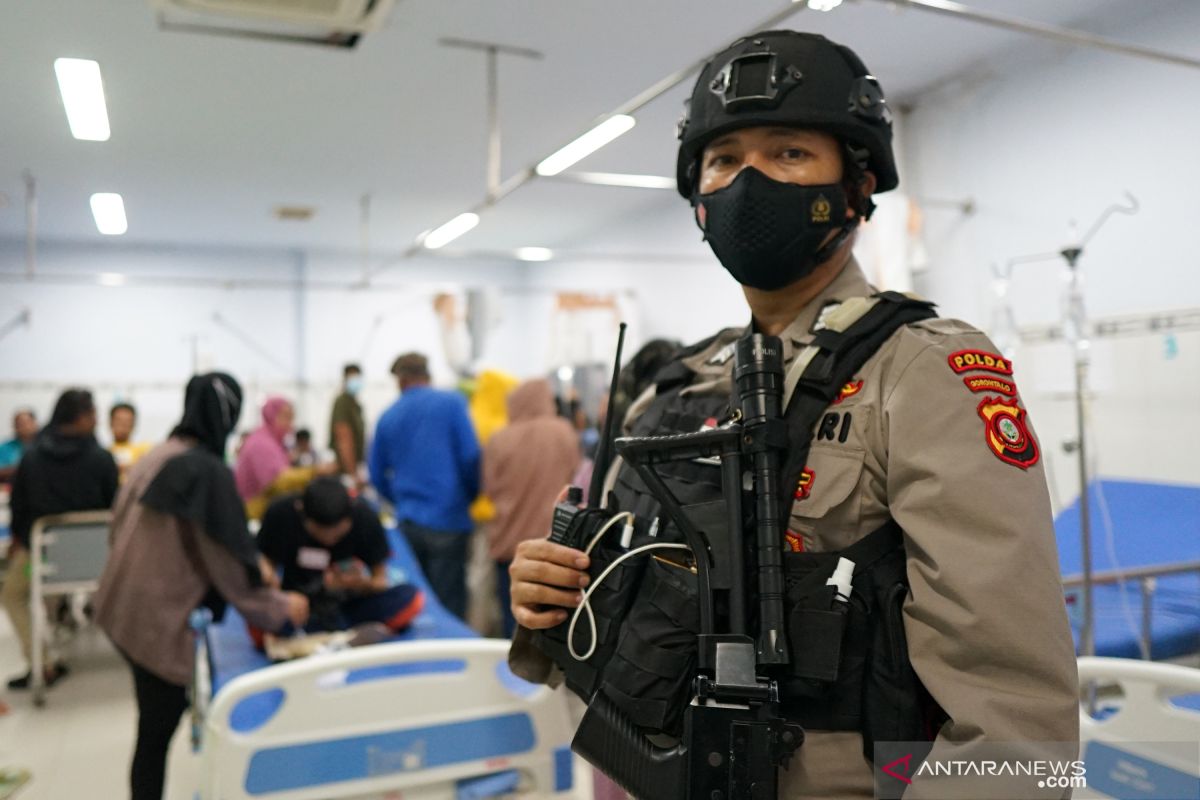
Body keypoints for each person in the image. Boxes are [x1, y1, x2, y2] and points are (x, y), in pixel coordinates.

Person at [507, 31, 1078, 798]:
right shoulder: (670, 388)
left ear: (856, 184)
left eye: (788, 153)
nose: (748, 181)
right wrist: (551, 594)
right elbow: (613, 597)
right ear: (699, 199)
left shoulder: (923, 370)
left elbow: (1018, 720)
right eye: (724, 160)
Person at [95, 373, 309, 800]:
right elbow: (227, 567)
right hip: (154, 618)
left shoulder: (158, 454)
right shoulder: (206, 472)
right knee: (157, 728)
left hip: (119, 603)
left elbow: (119, 525)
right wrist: (282, 607)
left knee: (153, 723)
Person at [4, 389, 118, 690]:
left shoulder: (32, 459)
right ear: (81, 418)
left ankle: (42, 663)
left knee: (13, 593)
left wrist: (24, 543)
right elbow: (115, 508)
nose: (97, 420)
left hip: (45, 561)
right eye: (93, 414)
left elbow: (19, 510)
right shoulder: (102, 459)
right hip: (102, 562)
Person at [369, 352, 480, 620]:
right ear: (427, 375)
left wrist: (400, 500)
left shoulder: (388, 416)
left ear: (400, 380)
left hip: (409, 522)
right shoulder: (453, 404)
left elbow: (375, 473)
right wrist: (469, 496)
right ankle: (454, 658)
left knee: (418, 605)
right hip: (450, 519)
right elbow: (471, 457)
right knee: (450, 603)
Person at [256, 477, 424, 634]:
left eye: (337, 535)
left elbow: (380, 580)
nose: (329, 541)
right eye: (319, 533)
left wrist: (360, 584)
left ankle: (338, 631)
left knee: (410, 597)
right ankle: (330, 631)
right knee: (258, 615)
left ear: (351, 515)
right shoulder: (281, 513)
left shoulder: (364, 517)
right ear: (301, 512)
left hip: (348, 603)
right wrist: (278, 595)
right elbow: (265, 564)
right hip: (298, 602)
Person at [483, 379, 581, 638]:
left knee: (511, 616)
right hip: (553, 542)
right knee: (552, 622)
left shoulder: (499, 439)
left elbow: (488, 489)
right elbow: (576, 479)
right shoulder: (563, 431)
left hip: (508, 543)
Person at [234, 396, 324, 521]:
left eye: (291, 418)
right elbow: (278, 481)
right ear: (271, 416)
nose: (290, 424)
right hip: (252, 514)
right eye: (285, 417)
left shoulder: (272, 442)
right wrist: (315, 471)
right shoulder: (261, 443)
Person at [329, 363, 366, 482]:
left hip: (354, 466)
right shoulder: (343, 402)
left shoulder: (355, 404)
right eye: (352, 378)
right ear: (345, 379)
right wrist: (353, 474)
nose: (356, 382)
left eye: (357, 378)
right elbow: (343, 437)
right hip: (345, 470)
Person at [109, 402, 152, 481]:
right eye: (119, 420)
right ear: (111, 422)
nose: (123, 425)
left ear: (133, 424)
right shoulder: (104, 454)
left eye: (127, 421)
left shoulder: (144, 451)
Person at [0, 408, 38, 483]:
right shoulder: (5, 447)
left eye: (26, 423)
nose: (23, 427)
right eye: (18, 424)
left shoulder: (45, 446)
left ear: (34, 423)